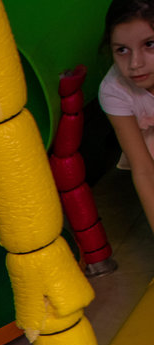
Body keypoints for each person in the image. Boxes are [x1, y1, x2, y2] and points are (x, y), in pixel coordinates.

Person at [101, 0, 154, 234]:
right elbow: (143, 170)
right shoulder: (114, 90)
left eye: (150, 45)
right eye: (122, 50)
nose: (135, 64)